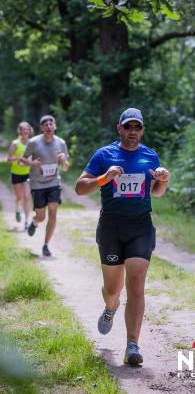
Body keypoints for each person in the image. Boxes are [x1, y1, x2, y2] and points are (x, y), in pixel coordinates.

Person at [75, 108, 169, 365]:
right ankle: (111, 307)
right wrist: (105, 178)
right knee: (112, 289)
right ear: (119, 129)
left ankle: (132, 345)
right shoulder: (104, 155)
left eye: (137, 128)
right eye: (128, 127)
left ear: (142, 131)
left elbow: (157, 192)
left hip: (140, 226)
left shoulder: (150, 156)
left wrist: (164, 180)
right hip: (111, 228)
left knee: (136, 284)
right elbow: (80, 188)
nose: (132, 132)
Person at [22, 115, 69, 257]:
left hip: (54, 182)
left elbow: (66, 167)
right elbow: (23, 159)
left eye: (51, 123)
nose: (49, 126)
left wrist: (63, 160)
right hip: (37, 183)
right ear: (41, 128)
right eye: (45, 124)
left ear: (55, 126)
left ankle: (46, 245)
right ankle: (35, 223)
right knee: (41, 216)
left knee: (53, 210)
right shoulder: (33, 142)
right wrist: (31, 163)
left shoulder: (61, 143)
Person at [7, 121, 34, 229]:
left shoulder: (32, 143)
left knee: (27, 196)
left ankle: (27, 221)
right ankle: (17, 208)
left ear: (30, 130)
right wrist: (20, 158)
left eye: (27, 129)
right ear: (20, 130)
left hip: (28, 173)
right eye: (23, 129)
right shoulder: (15, 143)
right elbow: (8, 159)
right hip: (16, 173)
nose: (25, 131)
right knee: (19, 197)